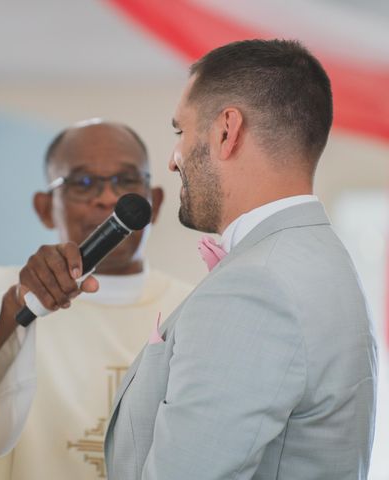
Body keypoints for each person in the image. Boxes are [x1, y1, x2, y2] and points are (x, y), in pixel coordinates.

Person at [104, 39, 378, 479]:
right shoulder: (323, 259)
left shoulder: (256, 288)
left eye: (181, 131)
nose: (174, 161)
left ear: (226, 131)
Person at [0, 119, 192, 479]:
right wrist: (15, 305)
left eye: (126, 182)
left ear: (154, 203)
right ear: (45, 207)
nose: (107, 198)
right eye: (83, 183)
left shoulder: (193, 307)